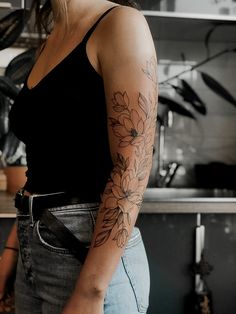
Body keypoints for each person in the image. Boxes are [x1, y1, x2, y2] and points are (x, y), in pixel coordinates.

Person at [0, 0, 158, 313]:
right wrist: (12, 250)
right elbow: (43, 168)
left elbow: (132, 170)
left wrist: (91, 290)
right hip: (35, 246)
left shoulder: (121, 23)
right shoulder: (52, 39)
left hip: (89, 259)